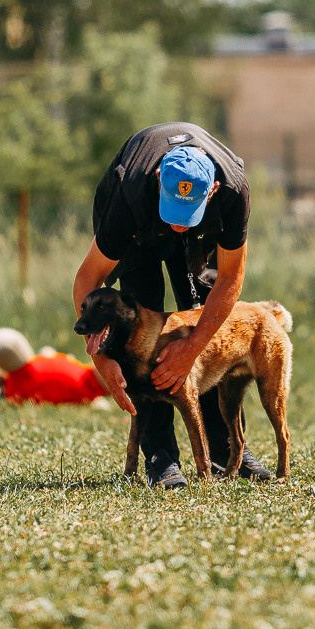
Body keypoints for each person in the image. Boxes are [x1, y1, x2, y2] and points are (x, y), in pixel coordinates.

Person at [72, 122, 274, 489]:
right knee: (140, 330)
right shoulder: (129, 193)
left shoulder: (231, 191)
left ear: (211, 191)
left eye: (188, 215)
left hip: (205, 231)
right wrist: (101, 357)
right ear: (159, 175)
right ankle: (160, 458)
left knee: (204, 320)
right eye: (173, 211)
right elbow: (88, 280)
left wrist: (192, 347)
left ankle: (227, 450)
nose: (178, 226)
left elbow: (230, 279)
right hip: (138, 230)